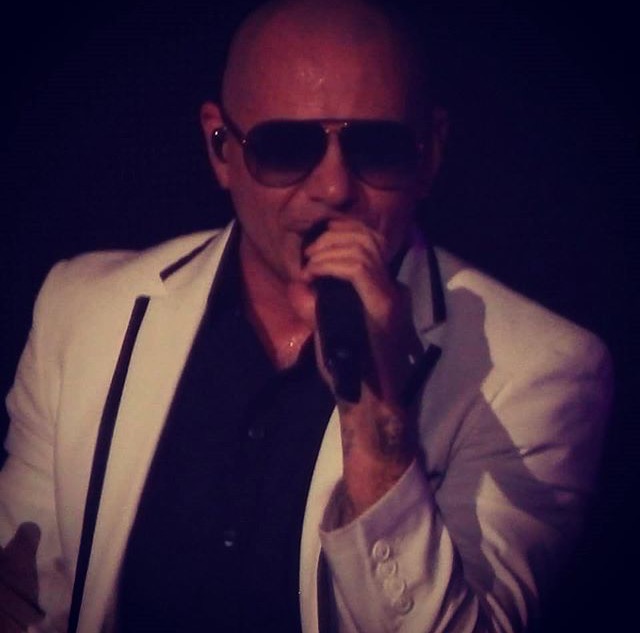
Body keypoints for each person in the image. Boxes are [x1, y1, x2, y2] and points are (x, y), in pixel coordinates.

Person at [0, 1, 613, 631]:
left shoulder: (540, 371)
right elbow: (28, 595)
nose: (333, 188)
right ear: (220, 148)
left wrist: (378, 420)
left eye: (377, 147)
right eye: (286, 146)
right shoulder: (85, 309)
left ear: (430, 153)